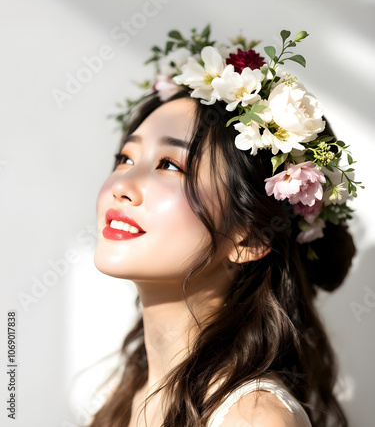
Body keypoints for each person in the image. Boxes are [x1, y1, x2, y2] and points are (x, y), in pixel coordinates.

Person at [88, 26, 358, 427]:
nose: (121, 186)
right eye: (125, 158)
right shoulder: (128, 393)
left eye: (169, 165)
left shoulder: (253, 419)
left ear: (250, 237)